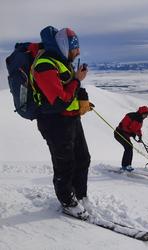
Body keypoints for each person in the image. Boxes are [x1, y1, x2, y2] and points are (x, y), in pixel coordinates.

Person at [31, 26, 92, 219]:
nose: (78, 52)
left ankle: (80, 196)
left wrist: (82, 97)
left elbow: (69, 89)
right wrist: (77, 80)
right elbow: (58, 101)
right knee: (65, 164)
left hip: (71, 119)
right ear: (63, 45)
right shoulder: (44, 65)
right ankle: (67, 201)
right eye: (75, 47)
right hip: (54, 122)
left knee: (83, 158)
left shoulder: (61, 62)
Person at [114, 106, 148, 172]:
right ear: (142, 113)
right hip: (119, 133)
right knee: (129, 147)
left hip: (126, 135)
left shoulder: (140, 120)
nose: (146, 116)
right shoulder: (130, 116)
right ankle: (126, 166)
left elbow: (138, 129)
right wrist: (131, 133)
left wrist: (140, 136)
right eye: (146, 115)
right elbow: (124, 126)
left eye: (147, 115)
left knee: (129, 147)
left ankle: (127, 165)